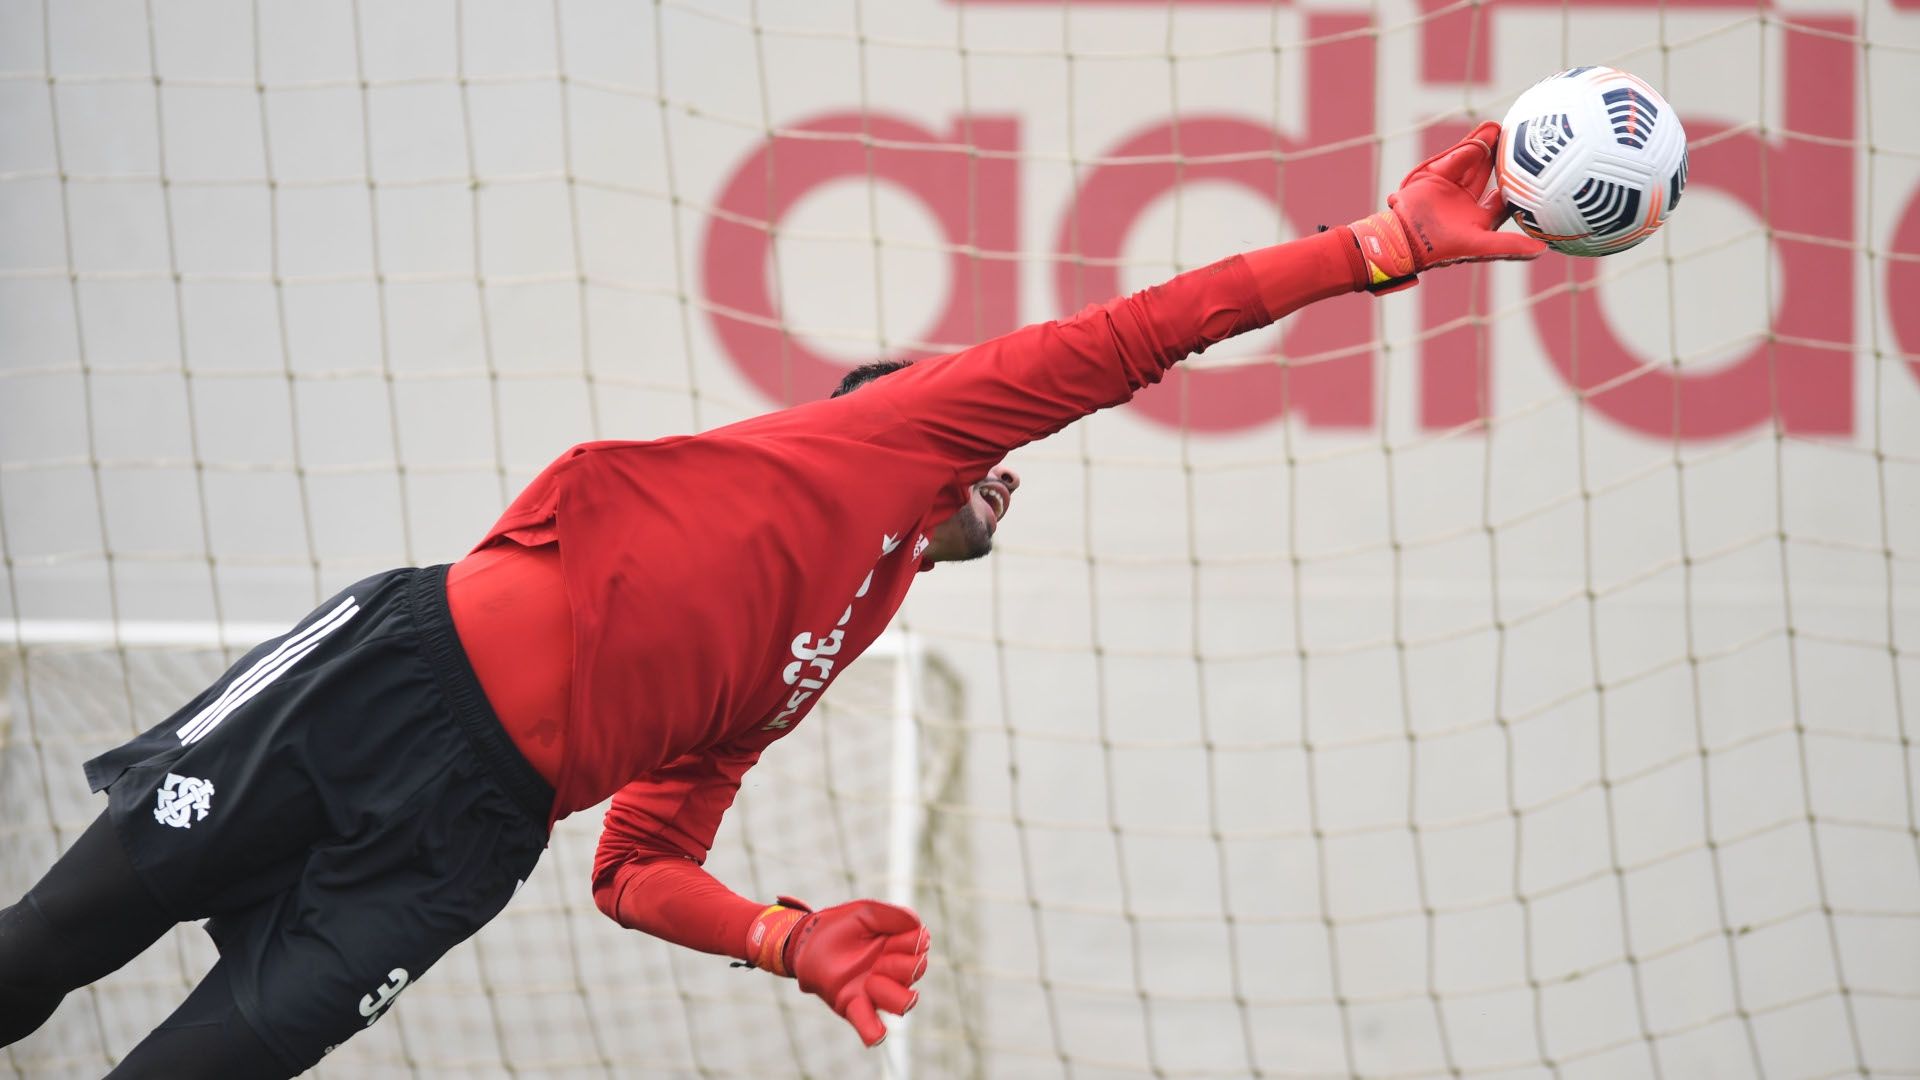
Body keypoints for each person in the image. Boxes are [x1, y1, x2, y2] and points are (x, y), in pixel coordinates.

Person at [0, 122, 1543, 1078]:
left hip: (462, 842)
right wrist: (1381, 248)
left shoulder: (825, 644)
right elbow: (1144, 332)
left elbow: (639, 866)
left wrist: (781, 939)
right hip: (382, 691)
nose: (1005, 473)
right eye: (985, 447)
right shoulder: (889, 440)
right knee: (52, 943)